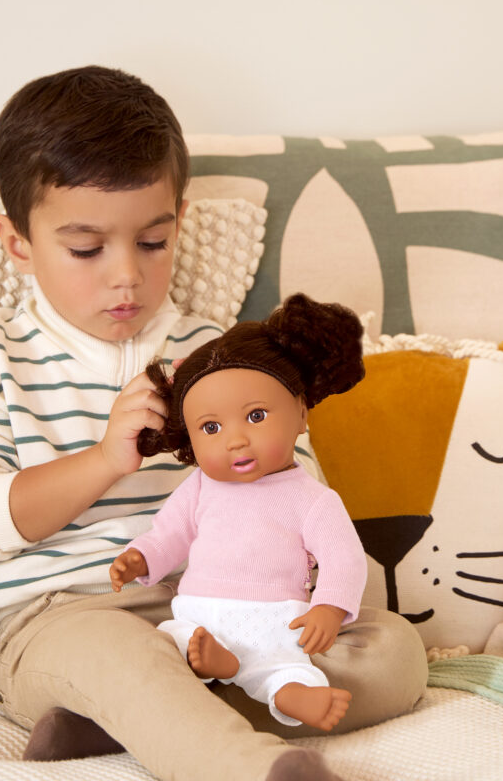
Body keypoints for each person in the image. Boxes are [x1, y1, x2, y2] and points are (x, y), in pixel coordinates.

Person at [0, 65, 428, 781]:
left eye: (152, 242)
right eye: (87, 249)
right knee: (122, 659)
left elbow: (300, 493)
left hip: (229, 613)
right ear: (17, 240)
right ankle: (251, 766)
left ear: (179, 218)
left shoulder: (219, 352)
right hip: (66, 618)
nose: (126, 275)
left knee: (395, 653)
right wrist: (103, 461)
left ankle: (122, 722)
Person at [110, 293, 367, 732]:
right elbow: (169, 533)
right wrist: (140, 557)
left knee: (283, 665)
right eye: (211, 428)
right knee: (169, 639)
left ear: (302, 413)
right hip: (200, 616)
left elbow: (345, 559)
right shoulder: (200, 487)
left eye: (256, 416)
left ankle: (294, 694)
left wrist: (329, 606)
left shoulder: (313, 499)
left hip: (274, 618)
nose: (235, 440)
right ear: (190, 440)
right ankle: (219, 664)